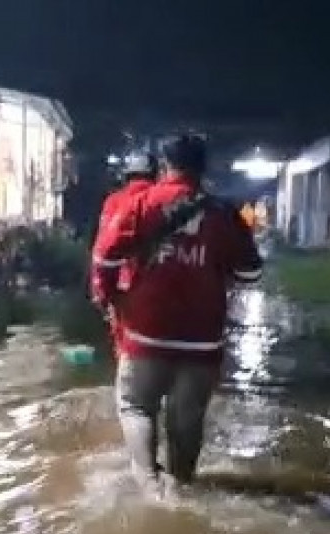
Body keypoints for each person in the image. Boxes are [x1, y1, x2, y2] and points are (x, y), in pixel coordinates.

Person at [92, 134, 264, 486]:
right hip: (202, 339)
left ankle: (149, 487)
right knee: (187, 418)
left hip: (145, 332)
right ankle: (182, 489)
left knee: (136, 405)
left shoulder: (140, 205)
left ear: (165, 166)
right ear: (204, 169)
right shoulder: (225, 214)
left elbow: (104, 256)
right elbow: (251, 272)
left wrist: (110, 299)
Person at [91, 150, 158, 349]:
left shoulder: (114, 202)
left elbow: (102, 249)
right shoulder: (162, 200)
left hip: (120, 288)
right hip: (156, 287)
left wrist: (100, 292)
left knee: (125, 347)